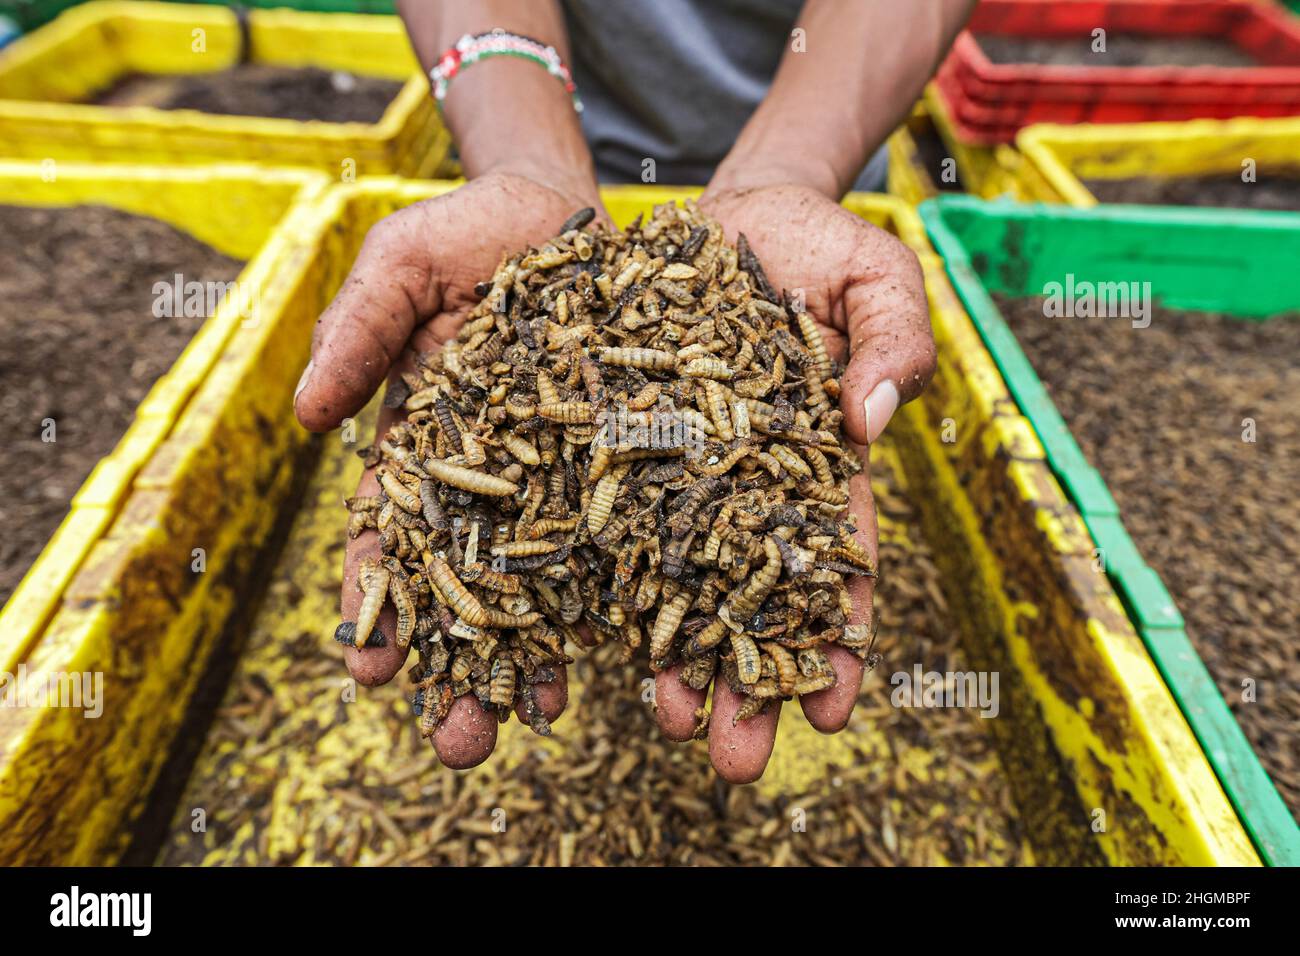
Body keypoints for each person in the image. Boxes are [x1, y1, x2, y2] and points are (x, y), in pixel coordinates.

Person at [293, 0, 974, 783]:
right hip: (535, 137)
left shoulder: (727, 366)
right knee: (605, 617)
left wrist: (791, 168)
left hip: (820, 174)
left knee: (680, 654)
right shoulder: (535, 368)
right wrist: (527, 157)